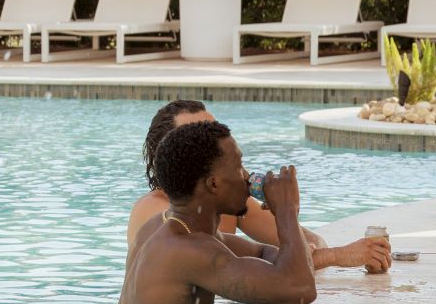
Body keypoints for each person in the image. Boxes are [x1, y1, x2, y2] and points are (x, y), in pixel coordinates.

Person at [114, 119, 317, 304]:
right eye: (239, 167)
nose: (248, 177)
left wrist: (273, 287)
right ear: (213, 184)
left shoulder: (170, 228)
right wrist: (287, 211)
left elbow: (262, 252)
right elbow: (301, 288)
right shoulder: (187, 250)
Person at [128, 100, 391, 274]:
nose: (209, 143)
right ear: (169, 153)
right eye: (195, 136)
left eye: (213, 132)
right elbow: (237, 267)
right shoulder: (155, 214)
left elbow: (307, 242)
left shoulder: (223, 204)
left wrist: (286, 212)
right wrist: (337, 256)